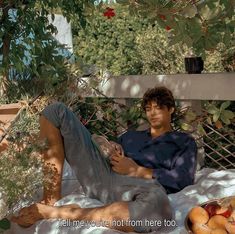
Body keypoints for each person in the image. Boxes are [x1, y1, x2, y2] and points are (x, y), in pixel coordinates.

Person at [10, 86, 197, 232]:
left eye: (158, 108)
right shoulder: (131, 136)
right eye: (148, 109)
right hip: (102, 175)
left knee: (157, 210)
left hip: (140, 187)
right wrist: (109, 146)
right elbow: (103, 150)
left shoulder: (183, 141)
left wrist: (136, 170)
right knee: (55, 111)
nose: (152, 113)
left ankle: (57, 213)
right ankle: (50, 199)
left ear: (171, 109)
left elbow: (182, 179)